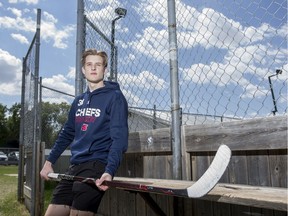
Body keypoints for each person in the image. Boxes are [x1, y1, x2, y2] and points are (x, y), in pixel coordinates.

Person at [40, 49, 129, 216]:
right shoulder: (79, 101)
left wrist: (109, 171)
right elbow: (67, 133)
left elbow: (120, 139)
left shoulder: (114, 97)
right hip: (74, 167)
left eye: (98, 64)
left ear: (104, 69)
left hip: (97, 165)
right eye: (89, 64)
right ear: (83, 70)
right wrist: (49, 161)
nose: (93, 68)